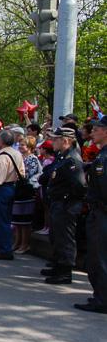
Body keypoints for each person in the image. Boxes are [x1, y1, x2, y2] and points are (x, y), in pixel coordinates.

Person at [41, 127, 85, 284]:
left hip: (66, 205)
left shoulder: (72, 160)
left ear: (65, 140)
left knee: (65, 239)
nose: (53, 141)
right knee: (57, 237)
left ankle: (65, 272)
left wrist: (66, 199)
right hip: (57, 203)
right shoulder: (62, 157)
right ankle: (57, 266)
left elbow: (79, 186)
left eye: (56, 139)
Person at [76, 115, 107, 313]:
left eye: (97, 129)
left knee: (100, 257)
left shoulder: (104, 158)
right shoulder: (101, 155)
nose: (93, 132)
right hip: (98, 211)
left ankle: (102, 299)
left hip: (102, 212)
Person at [0, 129, 25, 260]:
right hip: (11, 187)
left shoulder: (3, 157)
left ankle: (4, 249)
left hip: (1, 189)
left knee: (0, 221)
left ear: (2, 141)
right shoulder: (17, 154)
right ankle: (5, 247)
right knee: (6, 220)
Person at [11, 136, 42, 254]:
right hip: (17, 190)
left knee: (25, 221)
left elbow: (27, 174)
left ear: (30, 147)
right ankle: (17, 242)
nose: (20, 146)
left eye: (23, 144)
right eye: (20, 144)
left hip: (26, 192)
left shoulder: (32, 159)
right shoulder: (19, 157)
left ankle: (25, 244)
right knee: (17, 220)